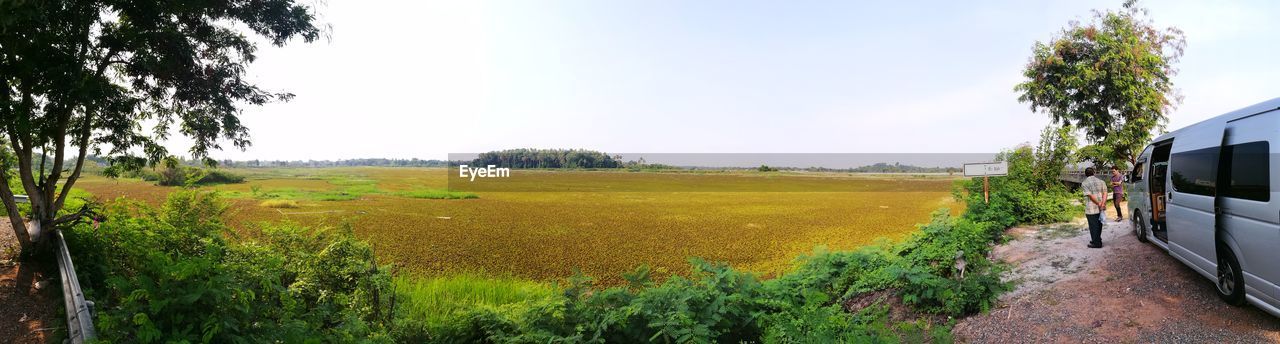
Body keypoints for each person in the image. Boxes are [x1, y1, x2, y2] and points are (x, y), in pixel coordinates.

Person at [1082, 167, 1108, 248]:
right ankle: (1096, 240)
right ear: (1094, 173)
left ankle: (1096, 243)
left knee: (1093, 226)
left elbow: (1090, 195)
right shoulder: (1101, 181)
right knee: (1099, 224)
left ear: (1085, 174)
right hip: (1100, 207)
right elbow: (1105, 193)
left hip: (1091, 208)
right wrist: (1102, 204)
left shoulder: (1084, 183)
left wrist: (1098, 203)